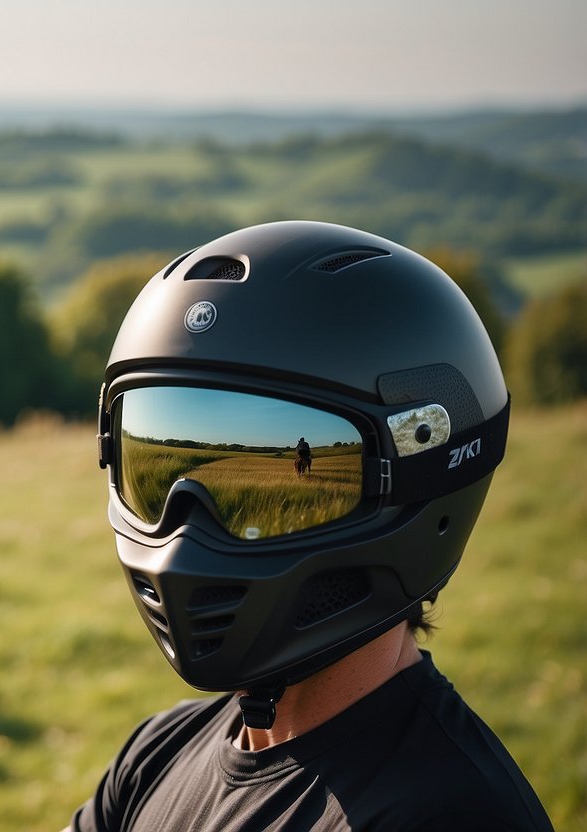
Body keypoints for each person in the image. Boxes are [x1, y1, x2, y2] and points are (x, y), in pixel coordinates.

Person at [74, 221, 552, 830]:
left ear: (420, 472)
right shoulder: (154, 755)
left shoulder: (455, 815)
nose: (185, 538)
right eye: (158, 476)